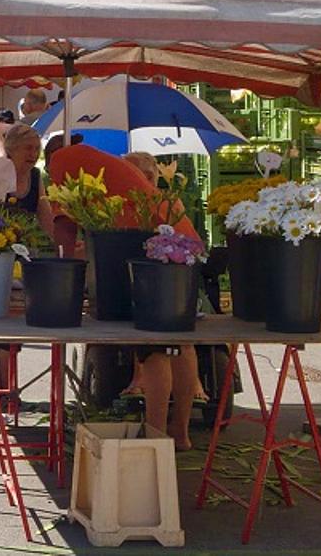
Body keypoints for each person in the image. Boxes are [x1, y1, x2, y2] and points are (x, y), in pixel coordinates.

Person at [116, 150, 205, 450]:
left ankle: (158, 436)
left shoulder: (144, 203)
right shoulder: (170, 202)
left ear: (149, 176)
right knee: (183, 346)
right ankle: (180, 431)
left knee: (155, 354)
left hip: (152, 289)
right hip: (181, 287)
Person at [0, 124, 55, 237]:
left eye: (37, 149)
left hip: (26, 246)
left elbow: (46, 217)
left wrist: (60, 243)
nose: (34, 154)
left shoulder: (35, 175)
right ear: (11, 149)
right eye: (28, 148)